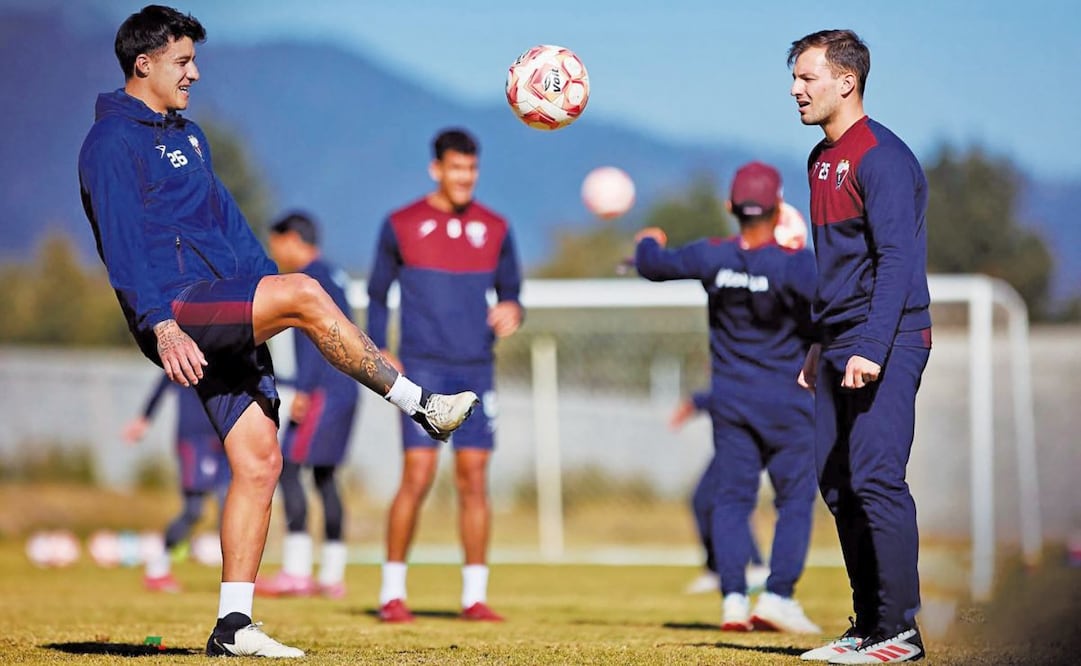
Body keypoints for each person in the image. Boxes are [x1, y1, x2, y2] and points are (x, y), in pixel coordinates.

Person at [78, 6, 477, 657]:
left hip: (225, 312)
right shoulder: (110, 142)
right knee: (306, 290)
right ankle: (420, 407)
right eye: (183, 61)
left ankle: (232, 626)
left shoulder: (191, 135)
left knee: (260, 462)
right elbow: (121, 245)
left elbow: (231, 231)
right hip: (178, 310)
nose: (195, 73)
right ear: (143, 63)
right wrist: (160, 323)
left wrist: (266, 299)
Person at [788, 29, 932, 663]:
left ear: (846, 81)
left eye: (807, 78)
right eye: (794, 79)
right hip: (840, 338)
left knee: (876, 475)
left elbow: (896, 259)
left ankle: (901, 631)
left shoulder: (883, 157)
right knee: (837, 481)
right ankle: (870, 627)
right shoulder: (820, 160)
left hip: (889, 337)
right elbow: (836, 264)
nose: (796, 90)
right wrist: (821, 342)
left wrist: (872, 345)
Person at [635, 161, 820, 634]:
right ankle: (778, 597)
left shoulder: (711, 256)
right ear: (779, 208)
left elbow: (653, 266)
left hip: (732, 402)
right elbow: (834, 304)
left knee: (732, 501)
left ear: (729, 207)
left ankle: (734, 601)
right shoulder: (797, 264)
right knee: (794, 502)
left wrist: (647, 241)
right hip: (789, 403)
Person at [368, 128, 523, 623]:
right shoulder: (401, 224)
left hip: (476, 367)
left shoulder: (496, 228)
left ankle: (474, 598)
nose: (465, 178)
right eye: (456, 168)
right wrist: (380, 349)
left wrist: (513, 310)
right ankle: (392, 594)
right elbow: (376, 294)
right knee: (417, 475)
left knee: (474, 479)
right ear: (437, 169)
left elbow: (512, 292)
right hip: (422, 368)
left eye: (472, 169)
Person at [254, 212, 359, 600]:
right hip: (345, 388)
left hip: (323, 391)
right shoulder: (335, 274)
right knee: (325, 477)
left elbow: (326, 336)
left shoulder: (313, 278)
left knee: (290, 467)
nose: (275, 252)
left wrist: (305, 388)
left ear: (293, 239)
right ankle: (332, 575)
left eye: (276, 243)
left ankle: (297, 572)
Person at [123, 374, 230, 593]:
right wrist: (144, 419)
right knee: (193, 510)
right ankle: (157, 569)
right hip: (195, 440)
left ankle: (239, 581)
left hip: (225, 438)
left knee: (231, 506)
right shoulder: (187, 351)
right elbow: (162, 386)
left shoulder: (231, 350)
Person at [669, 388, 770, 596]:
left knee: (732, 506)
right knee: (703, 502)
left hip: (742, 451)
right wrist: (683, 413)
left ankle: (756, 565)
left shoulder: (746, 380)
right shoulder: (724, 385)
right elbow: (697, 401)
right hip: (728, 451)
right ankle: (715, 568)